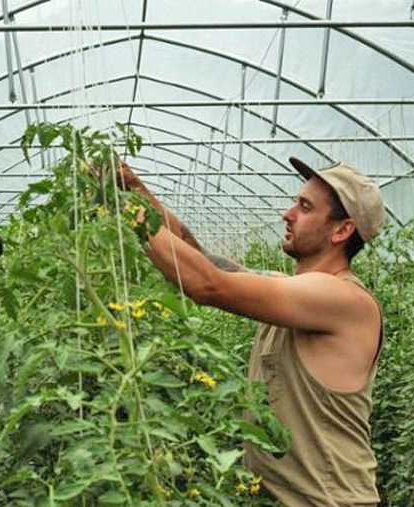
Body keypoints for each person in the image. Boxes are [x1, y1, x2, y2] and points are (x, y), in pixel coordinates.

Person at [119, 157, 385, 506]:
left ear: (341, 230)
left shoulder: (344, 299)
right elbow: (207, 261)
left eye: (305, 207)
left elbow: (207, 285)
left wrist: (130, 215)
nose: (287, 214)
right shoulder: (293, 291)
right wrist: (137, 192)